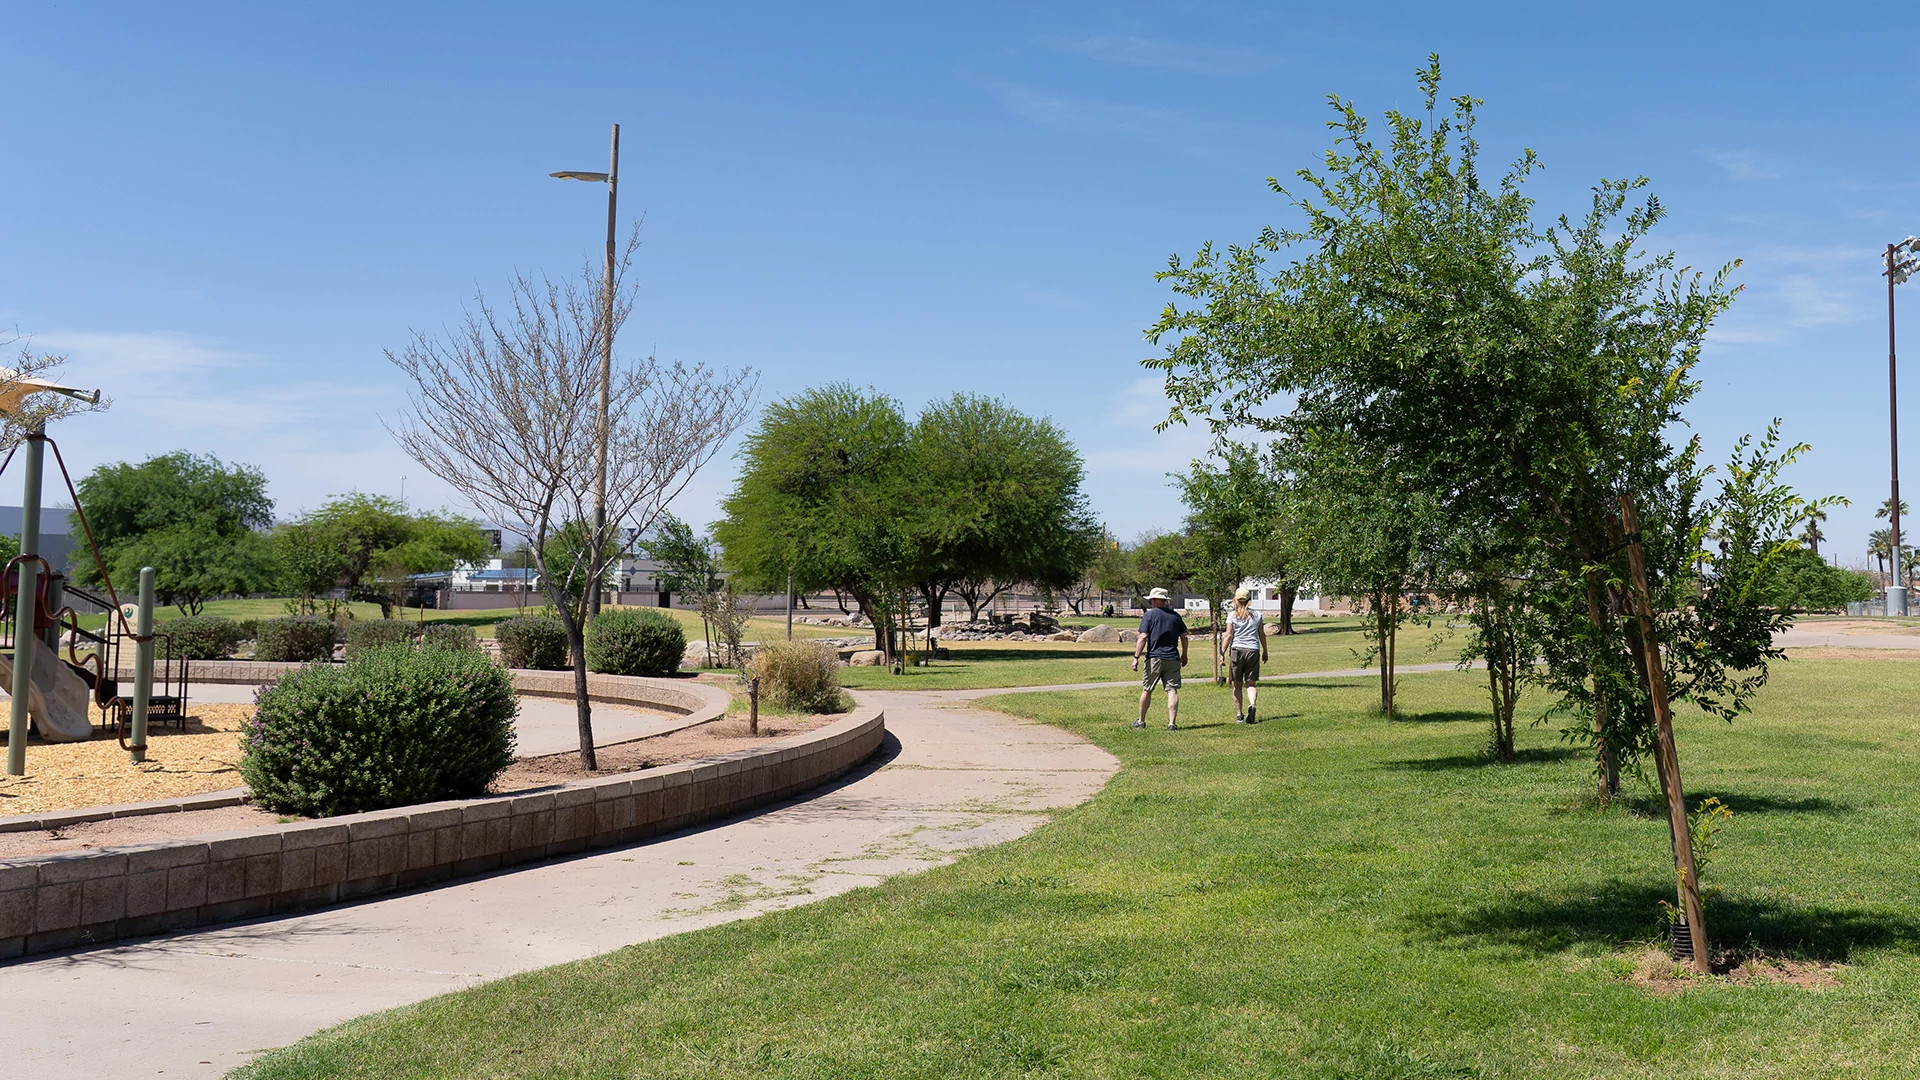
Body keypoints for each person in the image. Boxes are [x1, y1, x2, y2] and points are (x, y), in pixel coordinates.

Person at [1131, 587, 1189, 730]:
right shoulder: (1175, 616)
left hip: (1154, 658)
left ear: (1156, 600)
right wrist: (1184, 654)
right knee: (1172, 690)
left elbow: (1143, 636)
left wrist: (1136, 657)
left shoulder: (1149, 616)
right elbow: (1184, 636)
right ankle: (1172, 724)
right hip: (1173, 657)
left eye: (1151, 599)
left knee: (1147, 689)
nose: (1150, 602)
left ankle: (1141, 721)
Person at [1226, 587, 1269, 723]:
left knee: (1237, 684)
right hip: (1253, 650)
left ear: (1235, 600)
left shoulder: (1232, 615)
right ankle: (1252, 704)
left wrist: (1222, 652)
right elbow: (1261, 634)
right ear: (1250, 600)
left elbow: (1228, 635)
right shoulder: (1257, 615)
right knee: (1251, 683)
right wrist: (1265, 650)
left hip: (1237, 650)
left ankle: (1239, 716)